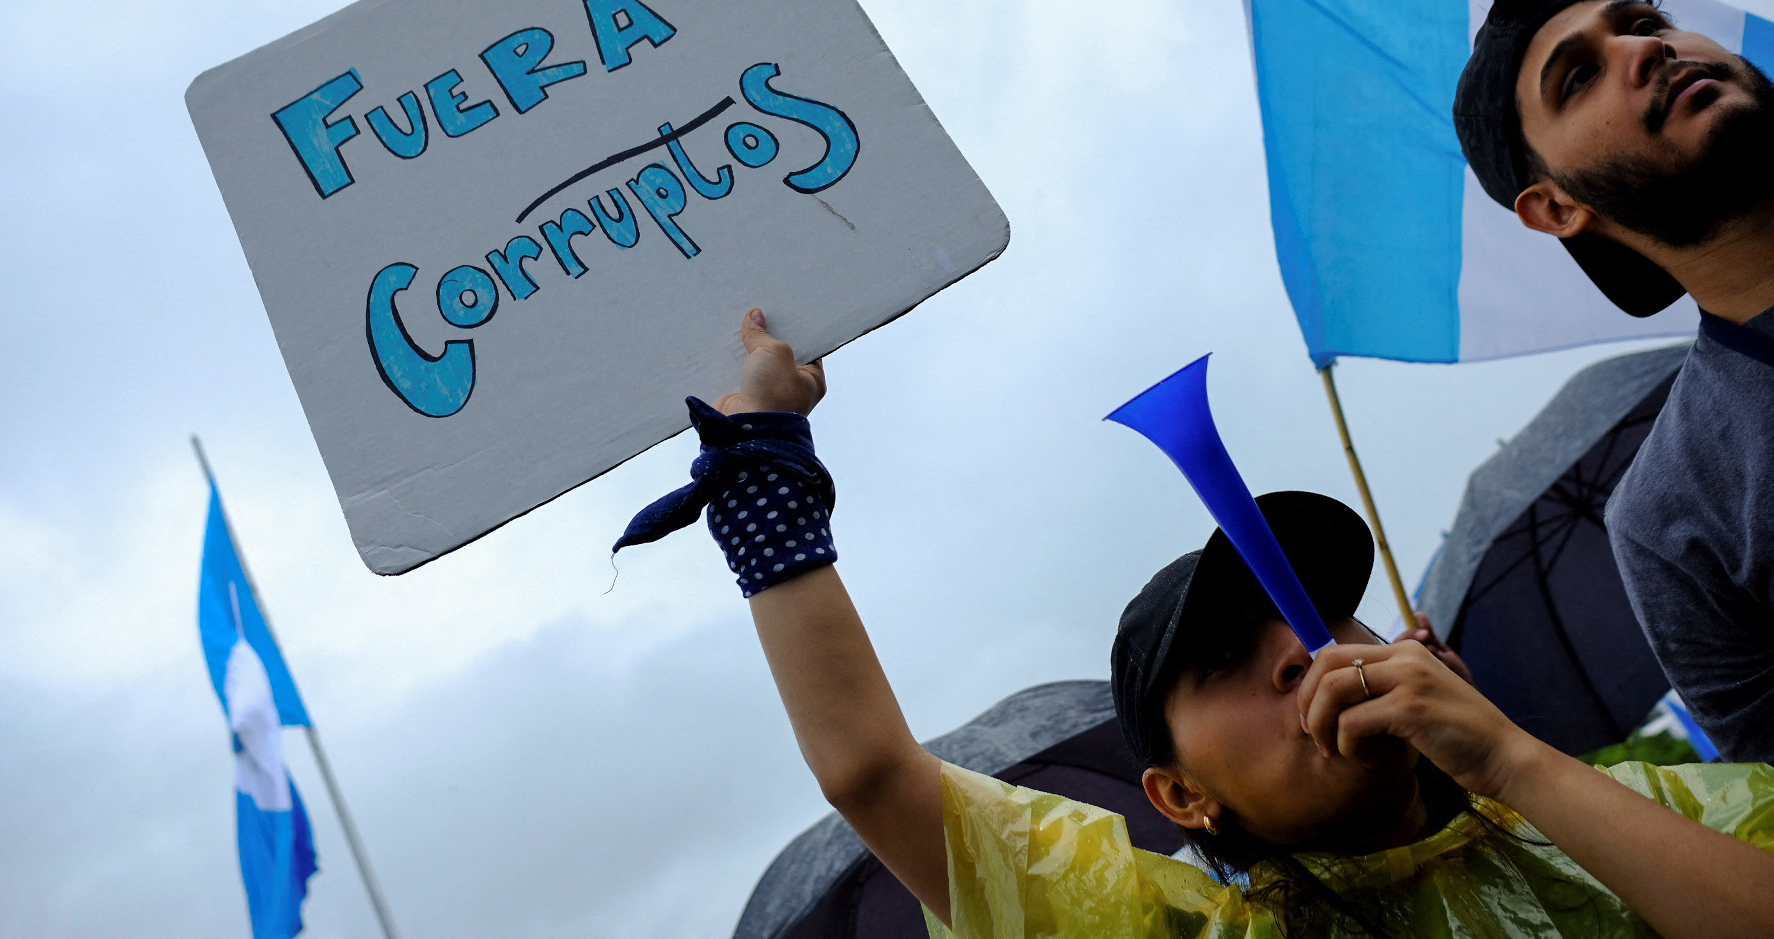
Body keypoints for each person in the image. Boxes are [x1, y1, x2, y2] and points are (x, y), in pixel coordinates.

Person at [617, 309, 1774, 939]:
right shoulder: (1171, 930)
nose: (1303, 647)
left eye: (1319, 608)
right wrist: (764, 467)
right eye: (1226, 657)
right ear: (1179, 796)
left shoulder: (1657, 814)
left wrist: (1516, 762)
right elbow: (871, 771)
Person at [1453, 0, 1774, 761]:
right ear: (1557, 207)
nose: (1645, 49)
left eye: (1645, 22)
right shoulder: (1671, 518)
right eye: (1578, 77)